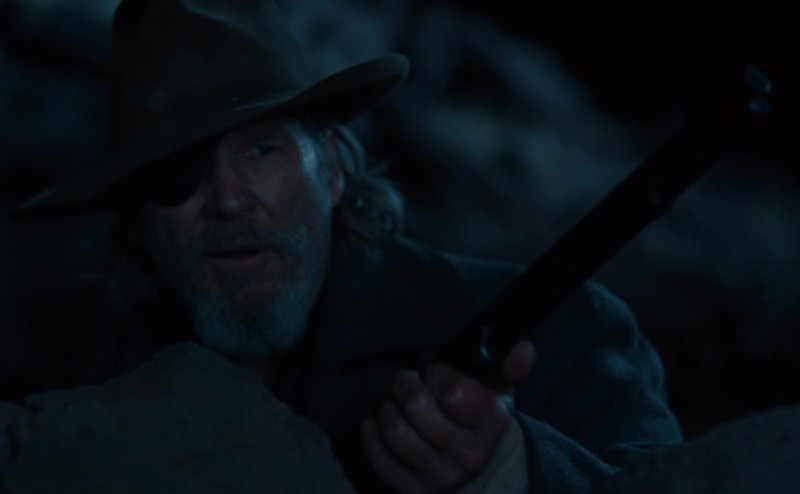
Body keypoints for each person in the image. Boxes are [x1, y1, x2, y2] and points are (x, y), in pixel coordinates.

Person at [11, 0, 682, 492]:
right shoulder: (69, 363)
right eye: (176, 173)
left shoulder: (565, 329)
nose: (229, 200)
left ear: (331, 170)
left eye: (262, 150)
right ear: (136, 219)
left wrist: (508, 470)